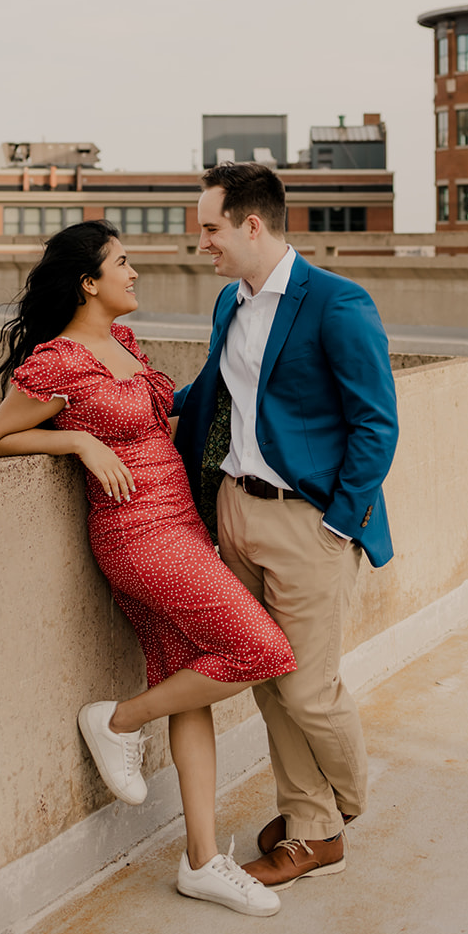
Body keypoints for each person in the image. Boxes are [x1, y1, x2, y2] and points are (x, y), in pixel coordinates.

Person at [0, 219, 297, 918]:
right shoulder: (59, 361)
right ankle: (117, 721)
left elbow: (171, 418)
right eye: (123, 264)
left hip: (180, 521)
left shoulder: (122, 343)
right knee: (261, 649)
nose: (135, 274)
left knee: (187, 684)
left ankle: (202, 861)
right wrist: (78, 445)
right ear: (88, 281)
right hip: (136, 535)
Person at [173, 163, 399, 889]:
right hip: (235, 511)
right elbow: (217, 386)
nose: (200, 242)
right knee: (267, 684)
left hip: (307, 524)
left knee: (307, 690)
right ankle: (309, 825)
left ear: (251, 224)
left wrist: (340, 522)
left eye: (209, 228)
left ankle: (343, 805)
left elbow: (375, 422)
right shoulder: (228, 304)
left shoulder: (336, 303)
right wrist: (134, 399)